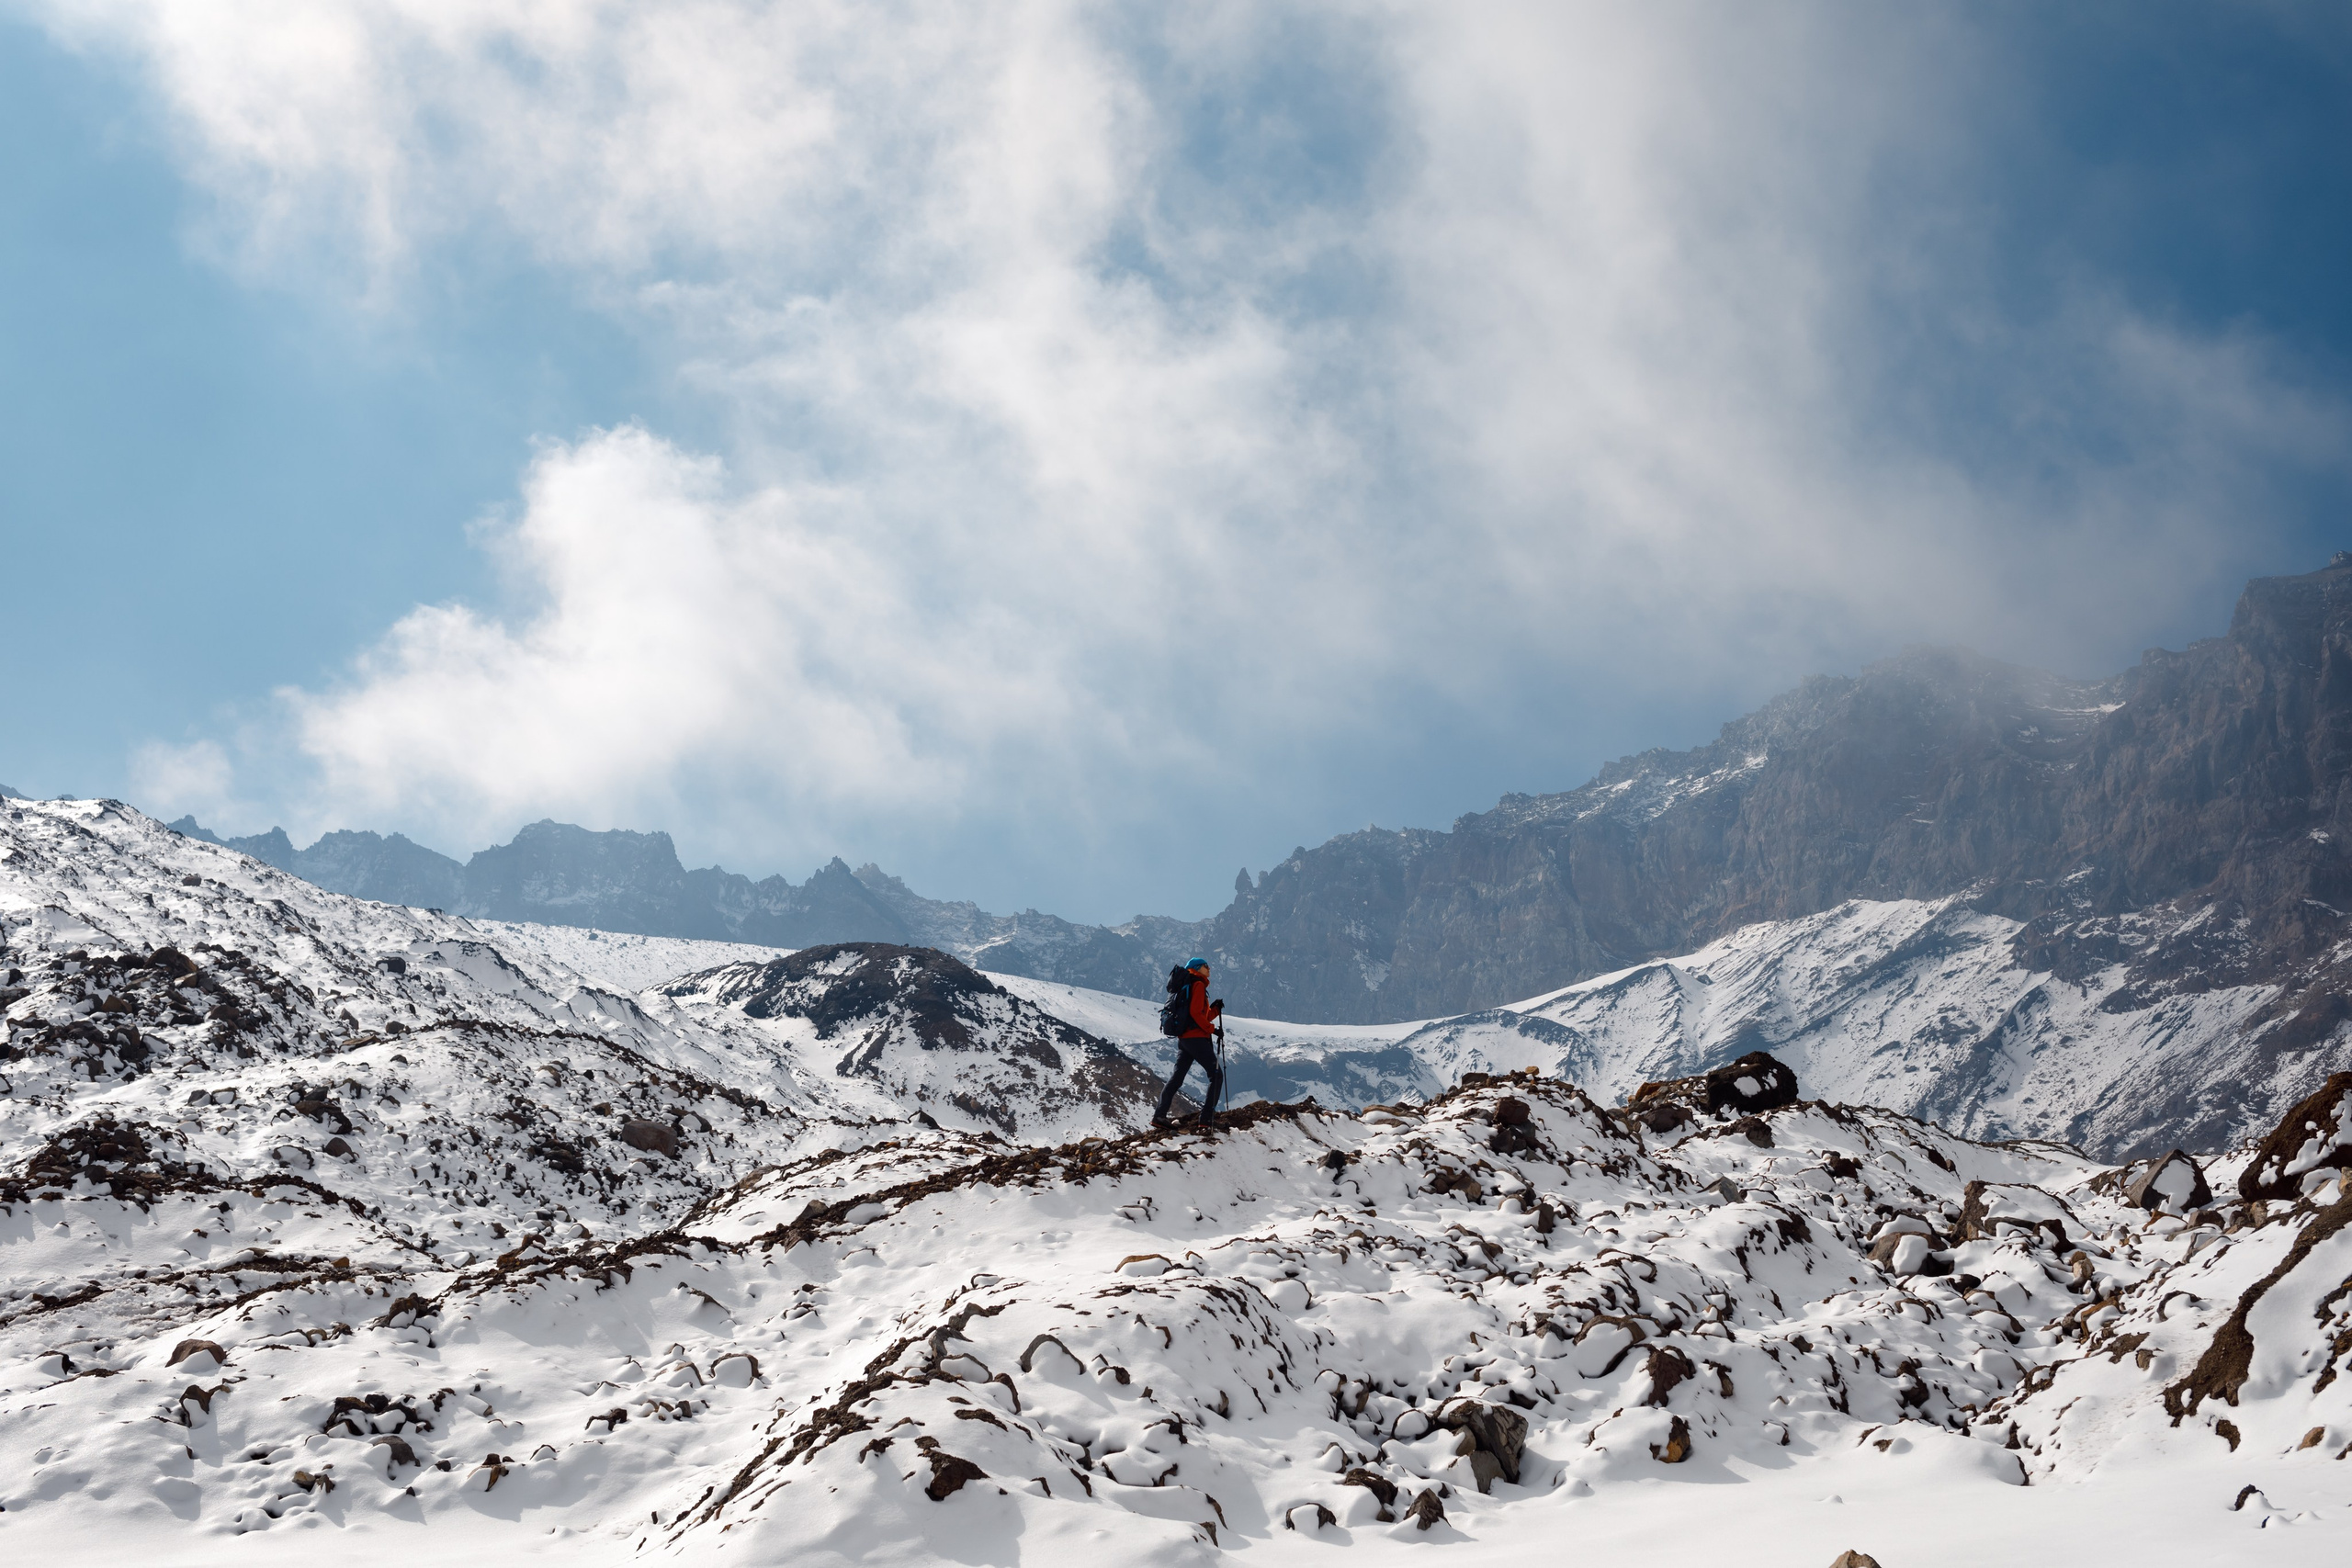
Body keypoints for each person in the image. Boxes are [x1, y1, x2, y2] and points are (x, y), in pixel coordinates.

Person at [1153, 957, 1225, 1130]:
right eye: (1206, 966)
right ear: (1197, 968)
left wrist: (1214, 1010)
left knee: (1177, 1078)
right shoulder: (1198, 984)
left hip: (1185, 1039)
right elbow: (1195, 1014)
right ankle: (1207, 1119)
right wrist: (1212, 1030)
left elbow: (1198, 1015)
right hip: (1196, 1039)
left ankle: (1159, 1116)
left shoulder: (1186, 985)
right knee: (1216, 1075)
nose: (1209, 969)